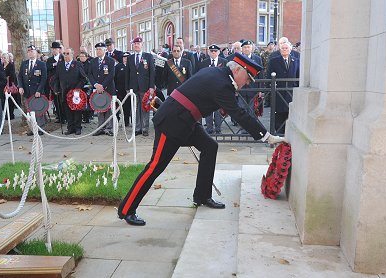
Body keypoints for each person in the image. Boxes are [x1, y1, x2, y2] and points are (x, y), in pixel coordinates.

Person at [117, 53, 286, 226]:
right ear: (236, 70)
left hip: (187, 120)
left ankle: (203, 195)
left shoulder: (217, 73)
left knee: (209, 146)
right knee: (155, 167)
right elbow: (239, 114)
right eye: (248, 77)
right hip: (172, 122)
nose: (248, 82)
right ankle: (127, 209)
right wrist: (266, 136)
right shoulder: (222, 83)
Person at [266, 42, 299, 134]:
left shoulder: (296, 61)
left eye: (286, 48)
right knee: (279, 113)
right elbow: (269, 76)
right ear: (280, 50)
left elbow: (298, 75)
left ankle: (288, 132)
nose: (284, 50)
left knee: (289, 112)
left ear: (290, 50)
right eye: (283, 48)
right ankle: (278, 132)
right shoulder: (274, 61)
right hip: (278, 91)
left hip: (291, 92)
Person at [53, 48, 87, 135]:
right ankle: (70, 127)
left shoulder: (77, 64)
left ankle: (77, 128)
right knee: (67, 110)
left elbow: (83, 78)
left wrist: (77, 89)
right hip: (64, 92)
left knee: (76, 110)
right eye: (64, 53)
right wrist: (56, 89)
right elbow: (56, 79)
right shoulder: (60, 65)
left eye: (67, 53)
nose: (65, 55)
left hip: (75, 92)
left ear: (72, 54)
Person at [126, 37, 155, 137]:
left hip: (145, 87)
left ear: (142, 44)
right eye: (135, 44)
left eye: (138, 43)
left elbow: (152, 72)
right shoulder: (130, 58)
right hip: (133, 87)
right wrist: (127, 88)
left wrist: (151, 87)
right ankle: (137, 128)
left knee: (145, 107)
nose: (136, 45)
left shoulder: (148, 56)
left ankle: (145, 128)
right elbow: (127, 74)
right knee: (135, 108)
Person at [17, 45, 47, 135]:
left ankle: (40, 128)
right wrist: (20, 87)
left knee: (38, 110)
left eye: (32, 51)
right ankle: (32, 128)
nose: (30, 52)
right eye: (28, 51)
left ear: (36, 53)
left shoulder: (41, 64)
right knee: (29, 111)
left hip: (37, 91)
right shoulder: (24, 63)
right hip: (27, 91)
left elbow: (44, 78)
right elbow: (20, 77)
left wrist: (39, 90)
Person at [89, 42, 116, 136]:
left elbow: (111, 75)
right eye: (97, 49)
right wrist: (96, 85)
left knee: (109, 108)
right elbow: (90, 74)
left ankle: (109, 128)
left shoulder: (111, 61)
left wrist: (102, 86)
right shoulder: (92, 61)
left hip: (108, 88)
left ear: (104, 50)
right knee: (99, 107)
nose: (98, 51)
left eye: (100, 49)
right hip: (97, 88)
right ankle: (100, 127)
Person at [199, 44, 227, 134]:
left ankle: (218, 128)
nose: (213, 53)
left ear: (218, 52)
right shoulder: (204, 63)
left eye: (215, 51)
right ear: (209, 52)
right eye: (212, 51)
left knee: (218, 110)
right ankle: (209, 128)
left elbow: (227, 76)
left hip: (220, 90)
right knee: (208, 110)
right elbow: (200, 76)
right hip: (207, 90)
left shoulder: (224, 62)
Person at [47, 41, 65, 124]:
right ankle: (60, 116)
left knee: (63, 100)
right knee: (56, 100)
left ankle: (65, 116)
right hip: (54, 83)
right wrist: (54, 64)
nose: (54, 50)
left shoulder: (63, 57)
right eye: (53, 49)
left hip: (63, 82)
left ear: (59, 50)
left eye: (56, 49)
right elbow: (47, 68)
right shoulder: (50, 60)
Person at [115, 52, 131, 126]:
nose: (126, 59)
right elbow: (114, 78)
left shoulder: (132, 66)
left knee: (128, 107)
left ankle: (127, 122)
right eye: (124, 57)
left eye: (127, 57)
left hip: (129, 90)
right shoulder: (118, 66)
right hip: (120, 90)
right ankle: (119, 121)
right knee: (119, 106)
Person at [78, 51, 93, 124]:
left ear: (86, 57)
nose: (81, 58)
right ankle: (83, 116)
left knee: (88, 101)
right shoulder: (77, 64)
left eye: (83, 56)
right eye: (80, 56)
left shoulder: (89, 64)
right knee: (81, 101)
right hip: (80, 85)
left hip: (88, 85)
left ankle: (88, 116)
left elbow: (90, 74)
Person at [2, 52, 18, 120]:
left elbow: (12, 75)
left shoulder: (10, 65)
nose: (4, 59)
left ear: (8, 58)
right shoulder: (1, 65)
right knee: (4, 100)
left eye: (5, 58)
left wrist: (6, 77)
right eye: (3, 58)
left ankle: (11, 114)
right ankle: (6, 113)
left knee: (10, 101)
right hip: (2, 85)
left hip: (9, 85)